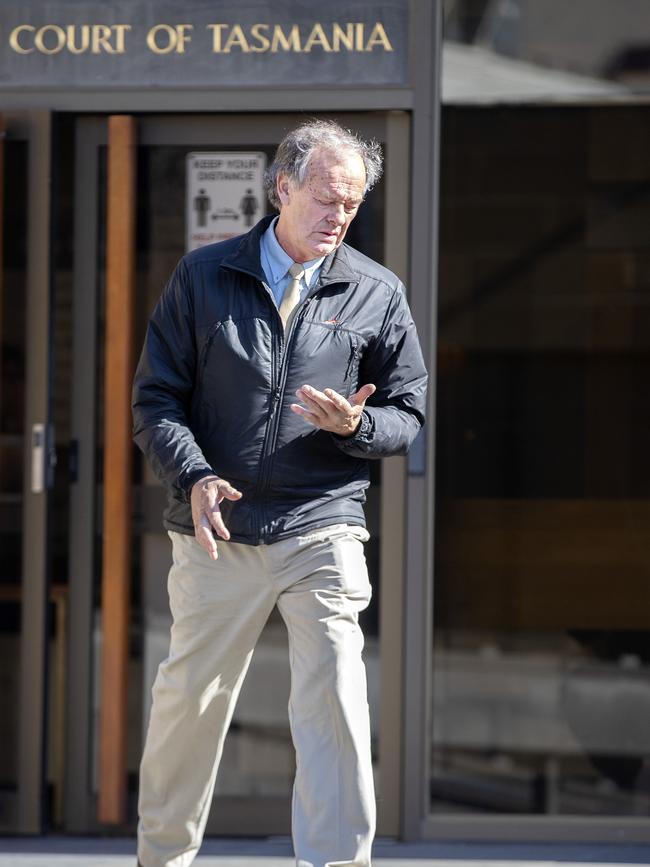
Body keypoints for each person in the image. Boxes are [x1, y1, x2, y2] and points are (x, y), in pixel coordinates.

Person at [132, 119, 428, 867]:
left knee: (334, 695)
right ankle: (160, 858)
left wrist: (359, 424)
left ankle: (334, 863)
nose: (339, 216)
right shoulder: (203, 276)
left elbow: (409, 415)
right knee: (188, 704)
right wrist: (195, 474)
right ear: (282, 187)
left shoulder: (376, 291)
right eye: (327, 197)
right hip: (217, 528)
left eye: (353, 204)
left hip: (321, 523)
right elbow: (156, 398)